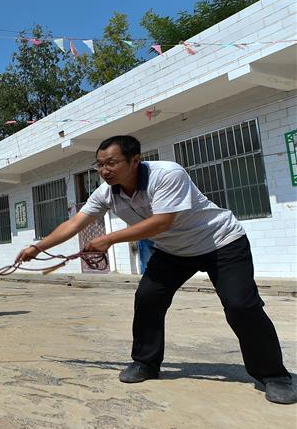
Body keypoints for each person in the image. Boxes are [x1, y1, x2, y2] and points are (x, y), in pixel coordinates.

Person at [15, 135, 295, 404]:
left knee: (240, 306)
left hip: (220, 242)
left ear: (135, 160)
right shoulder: (106, 194)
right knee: (148, 298)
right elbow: (74, 224)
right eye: (99, 164)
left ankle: (274, 376)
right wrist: (38, 247)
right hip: (173, 252)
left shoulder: (167, 174)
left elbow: (162, 222)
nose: (104, 170)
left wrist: (109, 239)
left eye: (111, 163)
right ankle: (145, 363)